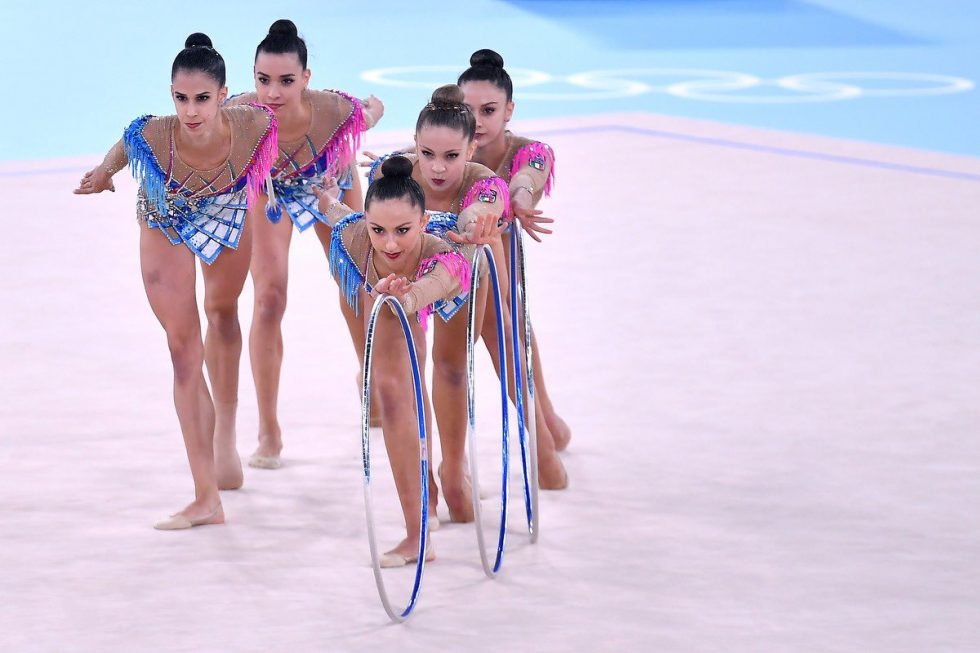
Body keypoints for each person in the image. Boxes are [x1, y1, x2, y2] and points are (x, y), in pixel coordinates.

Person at [73, 33, 277, 528]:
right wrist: (103, 172)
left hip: (226, 209)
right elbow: (130, 139)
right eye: (181, 98)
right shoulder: (159, 133)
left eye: (203, 98)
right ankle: (205, 495)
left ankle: (225, 432)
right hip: (164, 215)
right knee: (184, 350)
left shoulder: (252, 122)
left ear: (224, 95)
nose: (191, 110)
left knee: (222, 314)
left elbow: (288, 108)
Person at [367, 85, 568, 525]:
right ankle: (423, 476)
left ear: (471, 147)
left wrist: (484, 224)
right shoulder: (397, 174)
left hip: (466, 270)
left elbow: (495, 201)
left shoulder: (485, 182)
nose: (438, 168)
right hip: (408, 271)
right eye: (427, 154)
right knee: (403, 371)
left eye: (452, 157)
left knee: (457, 364)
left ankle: (456, 467)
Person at [319, 155, 501, 566]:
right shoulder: (355, 236)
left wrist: (407, 296)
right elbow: (336, 211)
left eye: (402, 230)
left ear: (421, 224)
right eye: (379, 230)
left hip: (456, 281)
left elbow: (440, 282)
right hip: (388, 289)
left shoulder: (444, 246)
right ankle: (418, 535)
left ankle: (454, 473)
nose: (390, 244)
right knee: (390, 391)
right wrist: (326, 196)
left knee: (450, 368)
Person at [225, 19, 384, 470]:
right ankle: (268, 428)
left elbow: (371, 112)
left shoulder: (333, 109)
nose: (272, 93)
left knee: (356, 282)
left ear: (306, 79)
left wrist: (372, 111)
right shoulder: (240, 113)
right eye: (263, 80)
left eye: (286, 81)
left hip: (328, 180)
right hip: (271, 191)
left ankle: (369, 380)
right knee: (269, 298)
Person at [459, 49, 571, 452]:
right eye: (467, 110)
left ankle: (542, 413)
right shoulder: (451, 149)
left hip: (495, 246)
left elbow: (526, 177)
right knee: (501, 318)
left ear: (509, 110)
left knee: (511, 312)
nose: (476, 122)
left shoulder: (532, 150)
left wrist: (520, 198)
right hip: (455, 250)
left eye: (488, 110)